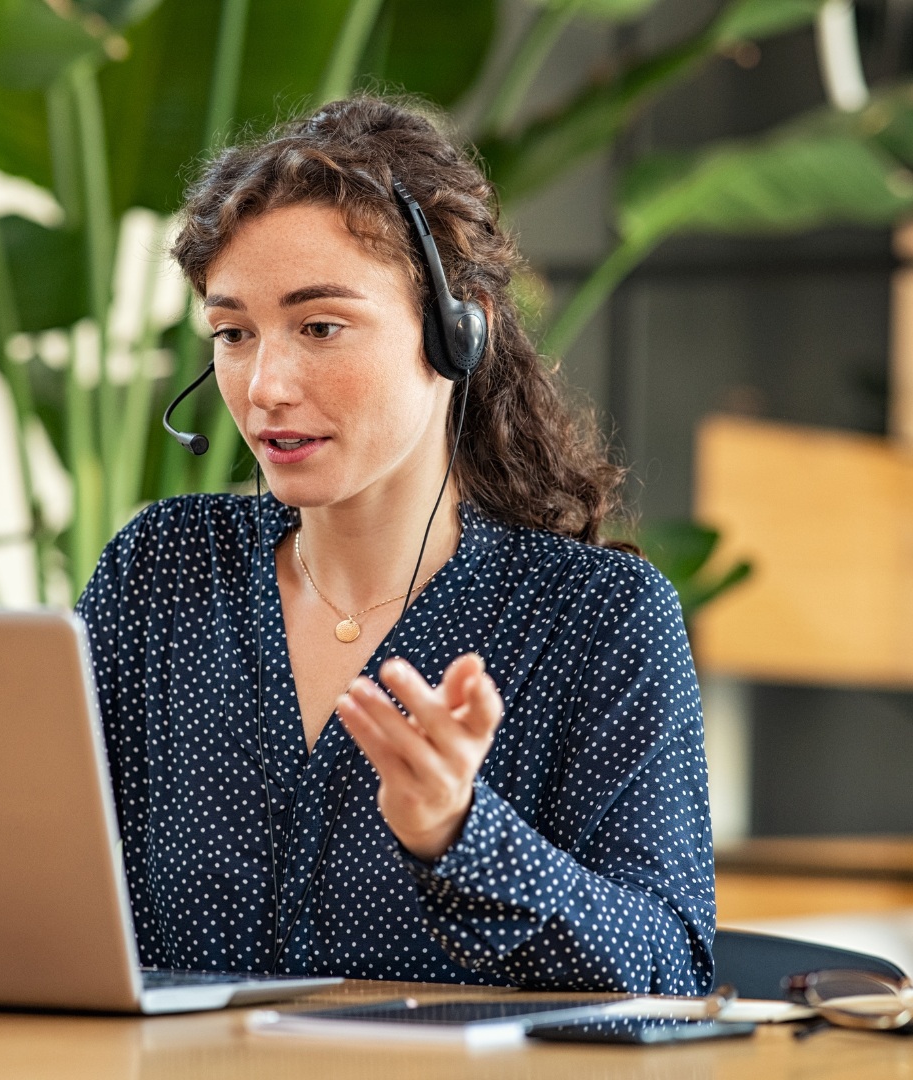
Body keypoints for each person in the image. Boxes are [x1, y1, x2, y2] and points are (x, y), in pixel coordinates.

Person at [75, 95, 715, 994]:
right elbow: (36, 877)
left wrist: (460, 835)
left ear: (459, 330)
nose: (265, 386)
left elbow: (671, 969)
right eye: (232, 334)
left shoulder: (596, 619)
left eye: (321, 326)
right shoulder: (162, 571)